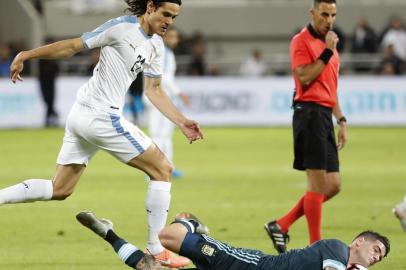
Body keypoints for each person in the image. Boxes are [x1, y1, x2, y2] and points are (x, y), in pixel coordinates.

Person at [3, 0, 203, 268]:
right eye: (166, 14)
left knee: (60, 188)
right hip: (100, 116)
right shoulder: (121, 28)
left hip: (83, 115)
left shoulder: (156, 45)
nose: (169, 22)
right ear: (151, 6)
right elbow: (73, 46)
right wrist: (27, 54)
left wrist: (181, 121)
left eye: (174, 17)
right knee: (162, 169)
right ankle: (156, 249)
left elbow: (153, 89)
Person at [264, 0, 348, 253]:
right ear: (313, 13)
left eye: (333, 14)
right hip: (308, 114)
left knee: (332, 185)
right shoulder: (301, 41)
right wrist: (327, 52)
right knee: (316, 184)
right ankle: (316, 248)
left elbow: (331, 87)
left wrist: (341, 120)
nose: (330, 19)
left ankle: (281, 224)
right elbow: (304, 76)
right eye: (324, 14)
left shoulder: (331, 46)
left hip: (324, 116)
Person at [76, 210, 390, 270]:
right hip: (244, 264)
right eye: (376, 249)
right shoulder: (336, 248)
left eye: (381, 258)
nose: (376, 257)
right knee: (168, 235)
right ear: (358, 242)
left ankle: (108, 233)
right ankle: (191, 222)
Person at [145, 26, 190, 178]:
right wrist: (179, 92)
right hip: (159, 98)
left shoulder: (166, 52)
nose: (174, 40)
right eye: (171, 36)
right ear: (163, 37)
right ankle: (154, 169)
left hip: (161, 97)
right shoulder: (162, 52)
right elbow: (162, 76)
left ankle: (168, 167)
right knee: (158, 134)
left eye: (176, 37)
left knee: (164, 134)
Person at [38, 38, 60, 127]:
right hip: (44, 82)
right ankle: (52, 116)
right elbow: (43, 71)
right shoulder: (42, 57)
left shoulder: (55, 57)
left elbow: (56, 70)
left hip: (51, 82)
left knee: (51, 101)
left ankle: (49, 119)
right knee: (47, 101)